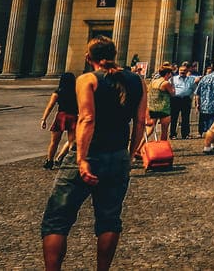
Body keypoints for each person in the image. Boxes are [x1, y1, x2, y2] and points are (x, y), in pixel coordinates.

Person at [40, 37, 147, 271]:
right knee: (109, 220)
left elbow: (87, 119)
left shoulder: (87, 79)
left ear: (89, 58)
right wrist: (130, 154)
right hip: (118, 155)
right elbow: (141, 121)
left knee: (56, 221)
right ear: (114, 54)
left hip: (89, 155)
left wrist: (81, 159)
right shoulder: (138, 80)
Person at [40, 72, 78, 169]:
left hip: (61, 116)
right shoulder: (77, 92)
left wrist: (44, 119)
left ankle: (49, 161)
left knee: (54, 142)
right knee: (72, 142)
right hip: (73, 116)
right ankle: (70, 161)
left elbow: (50, 107)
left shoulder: (57, 93)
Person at [169, 62, 197, 139]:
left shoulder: (191, 79)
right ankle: (173, 134)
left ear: (187, 71)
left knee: (186, 118)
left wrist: (191, 97)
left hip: (186, 100)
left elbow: (194, 89)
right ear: (178, 71)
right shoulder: (173, 79)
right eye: (181, 70)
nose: (182, 72)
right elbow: (169, 88)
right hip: (175, 100)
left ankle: (185, 134)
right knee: (174, 118)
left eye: (184, 70)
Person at [146, 65, 175, 140]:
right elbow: (173, 93)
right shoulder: (166, 83)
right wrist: (172, 84)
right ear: (167, 74)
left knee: (150, 129)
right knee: (164, 131)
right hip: (163, 108)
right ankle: (163, 145)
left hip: (153, 107)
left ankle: (140, 144)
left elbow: (149, 92)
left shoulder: (153, 82)